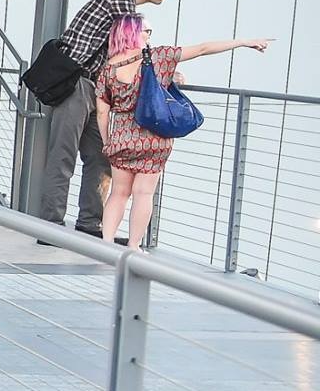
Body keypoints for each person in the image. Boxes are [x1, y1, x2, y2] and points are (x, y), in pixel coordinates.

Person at [95, 15, 270, 248]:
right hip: (154, 138)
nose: (149, 35)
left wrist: (108, 142)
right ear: (134, 33)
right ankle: (133, 247)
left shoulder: (109, 68)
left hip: (122, 136)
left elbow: (102, 112)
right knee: (143, 194)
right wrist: (243, 42)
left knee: (118, 192)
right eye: (147, 31)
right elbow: (203, 49)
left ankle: (106, 244)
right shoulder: (160, 57)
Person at [41, 0, 176, 236]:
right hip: (75, 84)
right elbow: (133, 45)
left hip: (95, 88)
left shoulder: (124, 2)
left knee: (102, 157)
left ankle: (90, 223)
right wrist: (168, 69)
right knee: (63, 156)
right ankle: (50, 225)